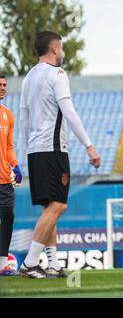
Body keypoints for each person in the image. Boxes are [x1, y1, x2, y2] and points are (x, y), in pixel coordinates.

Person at [19, 31, 101, 278]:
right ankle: (30, 262)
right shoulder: (57, 74)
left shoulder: (28, 77)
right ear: (55, 49)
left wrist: (27, 151)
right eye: (61, 49)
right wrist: (88, 145)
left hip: (35, 150)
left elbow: (23, 118)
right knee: (59, 204)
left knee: (48, 207)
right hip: (53, 149)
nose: (62, 53)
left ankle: (52, 263)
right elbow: (69, 111)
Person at [0, 74, 22, 276]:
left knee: (8, 218)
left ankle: (3, 264)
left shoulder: (8, 115)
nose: (3, 88)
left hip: (5, 180)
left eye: (5, 84)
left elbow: (8, 146)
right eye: (0, 85)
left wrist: (15, 164)